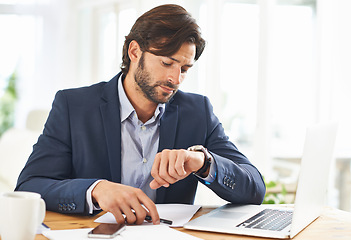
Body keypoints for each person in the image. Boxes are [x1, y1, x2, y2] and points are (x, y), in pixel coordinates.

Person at [16, 4, 265, 225]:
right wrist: (95, 190)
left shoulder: (197, 111)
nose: (175, 79)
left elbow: (254, 187)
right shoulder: (74, 106)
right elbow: (31, 185)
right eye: (167, 63)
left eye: (185, 69)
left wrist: (203, 162)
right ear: (135, 52)